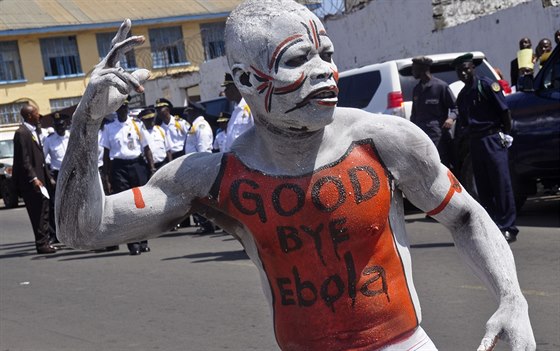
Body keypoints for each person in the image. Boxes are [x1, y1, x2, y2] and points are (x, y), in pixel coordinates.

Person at [56, 5, 535, 351]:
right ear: (244, 80)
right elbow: (83, 228)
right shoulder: (213, 178)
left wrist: (512, 299)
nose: (325, 72)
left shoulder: (385, 140)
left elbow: (466, 215)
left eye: (326, 53)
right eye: (296, 60)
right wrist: (86, 122)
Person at [454, 53, 518, 244]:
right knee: (483, 186)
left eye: (466, 68)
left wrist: (506, 134)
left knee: (501, 183)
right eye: (460, 71)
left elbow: (504, 111)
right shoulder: (463, 95)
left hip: (492, 138)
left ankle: (509, 227)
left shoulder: (487, 85)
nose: (464, 73)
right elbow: (464, 124)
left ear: (473, 67)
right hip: (476, 141)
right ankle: (493, 226)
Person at [100, 99, 155, 255]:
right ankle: (132, 243)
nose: (122, 110)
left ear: (128, 108)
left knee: (141, 204)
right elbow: (105, 155)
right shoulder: (109, 128)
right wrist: (107, 177)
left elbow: (147, 148)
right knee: (125, 206)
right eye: (119, 107)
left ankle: (143, 240)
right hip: (119, 167)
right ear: (115, 110)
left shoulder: (137, 125)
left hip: (137, 165)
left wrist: (151, 168)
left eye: (124, 107)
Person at [12, 104, 57, 254]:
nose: (39, 115)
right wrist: (34, 178)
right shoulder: (21, 133)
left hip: (41, 178)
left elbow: (41, 158)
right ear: (30, 115)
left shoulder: (33, 131)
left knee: (44, 210)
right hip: (32, 183)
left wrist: (47, 176)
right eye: (37, 113)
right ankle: (42, 244)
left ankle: (45, 242)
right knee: (37, 212)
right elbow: (23, 160)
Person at [410, 56, 457, 169]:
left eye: (414, 68)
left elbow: (456, 107)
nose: (412, 72)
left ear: (423, 69)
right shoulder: (417, 90)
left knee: (442, 166)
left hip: (438, 137)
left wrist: (450, 118)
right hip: (422, 138)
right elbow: (414, 115)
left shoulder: (440, 86)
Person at [183, 102, 215, 234]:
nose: (187, 116)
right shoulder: (195, 126)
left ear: (194, 112)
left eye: (189, 113)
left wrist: (201, 167)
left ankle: (209, 224)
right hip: (195, 166)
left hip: (201, 166)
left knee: (204, 197)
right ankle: (206, 223)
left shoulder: (201, 126)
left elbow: (203, 148)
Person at [222, 73, 254, 152]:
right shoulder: (235, 111)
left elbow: (259, 135)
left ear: (234, 88)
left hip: (247, 157)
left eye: (227, 88)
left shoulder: (250, 107)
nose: (224, 91)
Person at [43, 113, 70, 182]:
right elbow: (42, 159)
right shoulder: (49, 140)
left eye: (61, 125)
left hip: (72, 172)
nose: (59, 128)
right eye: (56, 126)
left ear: (66, 124)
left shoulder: (72, 136)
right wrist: (49, 176)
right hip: (58, 174)